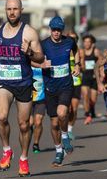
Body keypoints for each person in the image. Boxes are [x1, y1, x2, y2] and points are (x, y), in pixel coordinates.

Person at [0, 0, 44, 177]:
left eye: (15, 9)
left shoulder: (30, 33)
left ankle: (24, 159)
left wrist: (30, 52)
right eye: (9, 9)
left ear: (21, 10)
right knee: (2, 117)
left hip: (24, 83)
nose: (12, 12)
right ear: (5, 10)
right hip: (4, 83)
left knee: (24, 125)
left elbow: (40, 58)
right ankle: (6, 149)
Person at [41, 16, 80, 167]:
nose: (56, 32)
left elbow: (76, 51)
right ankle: (58, 152)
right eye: (54, 29)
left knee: (63, 113)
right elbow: (34, 59)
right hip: (50, 87)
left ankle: (65, 137)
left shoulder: (69, 41)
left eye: (58, 30)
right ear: (50, 29)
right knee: (54, 123)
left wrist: (77, 65)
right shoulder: (44, 44)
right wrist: (41, 64)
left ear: (62, 30)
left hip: (65, 85)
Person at [81, 34, 102, 124]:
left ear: (92, 43)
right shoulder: (81, 52)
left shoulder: (96, 51)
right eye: (85, 41)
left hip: (94, 78)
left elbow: (101, 62)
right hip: (85, 76)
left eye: (88, 41)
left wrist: (100, 75)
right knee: (85, 95)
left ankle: (91, 109)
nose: (86, 43)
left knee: (93, 99)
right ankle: (87, 114)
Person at [67, 31, 84, 139]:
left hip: (76, 82)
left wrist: (79, 67)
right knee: (67, 109)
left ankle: (69, 130)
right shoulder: (64, 50)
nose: (73, 40)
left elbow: (84, 66)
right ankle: (64, 129)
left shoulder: (79, 52)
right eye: (70, 38)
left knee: (74, 109)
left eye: (74, 38)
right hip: (65, 82)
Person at [29, 61, 47, 154]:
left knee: (38, 122)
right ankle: (30, 131)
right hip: (27, 99)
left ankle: (36, 144)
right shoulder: (26, 63)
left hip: (41, 98)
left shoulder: (44, 64)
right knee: (30, 123)